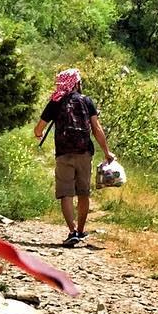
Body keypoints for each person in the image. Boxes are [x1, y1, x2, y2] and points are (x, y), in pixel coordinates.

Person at [33, 69, 113, 247]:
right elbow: (97, 129)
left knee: (66, 193)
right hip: (84, 152)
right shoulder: (86, 101)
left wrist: (40, 135)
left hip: (63, 153)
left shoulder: (55, 102)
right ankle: (81, 230)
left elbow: (38, 129)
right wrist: (107, 152)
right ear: (77, 83)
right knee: (83, 192)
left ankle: (72, 231)